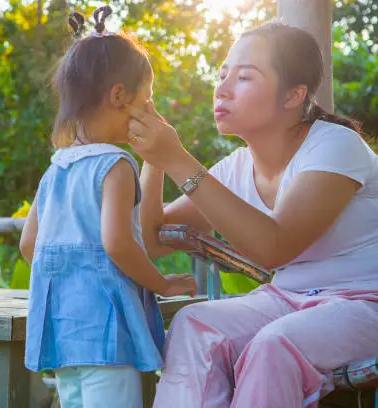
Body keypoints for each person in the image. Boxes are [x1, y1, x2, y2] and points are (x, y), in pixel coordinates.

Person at [127, 22, 378, 408]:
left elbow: (273, 247)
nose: (222, 89)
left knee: (275, 346)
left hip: (365, 303)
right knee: (195, 325)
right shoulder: (236, 168)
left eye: (244, 77)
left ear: (294, 95)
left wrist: (177, 159)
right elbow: (152, 240)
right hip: (288, 299)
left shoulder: (336, 147)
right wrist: (155, 161)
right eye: (223, 75)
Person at [19, 6, 196, 408]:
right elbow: (117, 243)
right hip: (107, 335)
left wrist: (71, 278)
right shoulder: (115, 165)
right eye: (146, 101)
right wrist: (163, 284)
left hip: (64, 338)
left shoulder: (56, 168)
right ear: (119, 96)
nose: (149, 111)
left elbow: (30, 245)